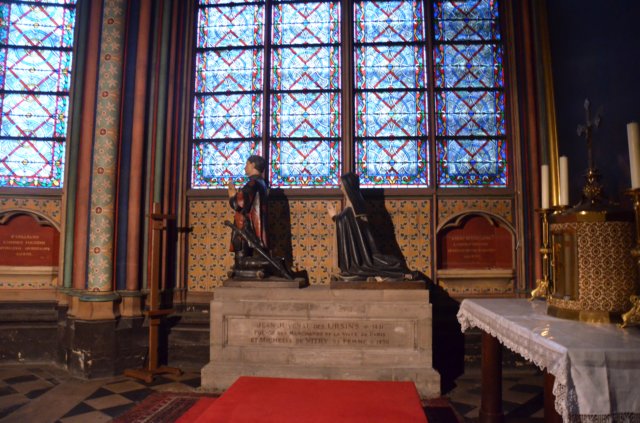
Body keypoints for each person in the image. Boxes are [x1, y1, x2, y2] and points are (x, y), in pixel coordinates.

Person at [327, 172, 410, 280]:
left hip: (366, 255)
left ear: (348, 186)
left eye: (342, 185)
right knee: (391, 263)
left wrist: (335, 217)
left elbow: (353, 226)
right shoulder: (354, 206)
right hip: (362, 253)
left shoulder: (354, 207)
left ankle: (396, 275)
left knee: (390, 264)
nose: (341, 188)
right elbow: (351, 228)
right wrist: (337, 218)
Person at [228, 155, 269, 275]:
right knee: (243, 261)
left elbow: (239, 205)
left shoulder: (252, 183)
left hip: (245, 228)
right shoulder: (262, 183)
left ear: (253, 165)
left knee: (240, 262)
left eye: (246, 164)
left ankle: (269, 265)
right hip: (253, 227)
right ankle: (266, 265)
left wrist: (232, 195)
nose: (245, 167)